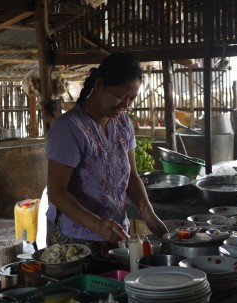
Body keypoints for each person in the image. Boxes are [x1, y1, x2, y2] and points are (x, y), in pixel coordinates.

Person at [46, 52, 167, 255]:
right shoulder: (69, 129)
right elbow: (57, 192)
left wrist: (149, 213)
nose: (125, 105)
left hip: (115, 232)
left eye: (132, 98)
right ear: (99, 85)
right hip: (75, 240)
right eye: (120, 96)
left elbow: (132, 177)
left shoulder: (122, 123)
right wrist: (97, 224)